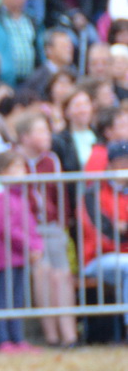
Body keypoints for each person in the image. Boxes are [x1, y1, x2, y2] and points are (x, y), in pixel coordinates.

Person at [15, 114, 79, 348]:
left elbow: (59, 195)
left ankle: (69, 335)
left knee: (61, 275)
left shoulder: (51, 160)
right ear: (25, 137)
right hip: (26, 229)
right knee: (42, 273)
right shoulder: (14, 160)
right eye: (40, 131)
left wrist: (62, 223)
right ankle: (51, 336)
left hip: (52, 225)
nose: (47, 136)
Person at [0, 150, 42, 352]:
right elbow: (5, 227)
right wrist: (30, 245)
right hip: (3, 256)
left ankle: (18, 339)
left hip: (19, 256)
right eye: (15, 167)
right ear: (2, 171)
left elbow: (29, 223)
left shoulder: (19, 195)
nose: (21, 171)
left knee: (17, 299)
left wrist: (37, 245)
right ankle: (2, 340)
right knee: (2, 299)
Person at [76, 140, 128, 332]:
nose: (125, 166)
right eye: (122, 161)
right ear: (111, 163)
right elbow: (101, 233)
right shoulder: (93, 194)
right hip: (98, 258)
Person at [21, 27, 77, 102]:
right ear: (49, 50)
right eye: (64, 46)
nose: (69, 50)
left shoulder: (74, 75)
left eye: (70, 47)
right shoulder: (37, 80)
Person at [52, 88, 98, 171]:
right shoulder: (60, 141)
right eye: (77, 106)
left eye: (86, 104)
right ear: (66, 111)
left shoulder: (99, 134)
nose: (83, 110)